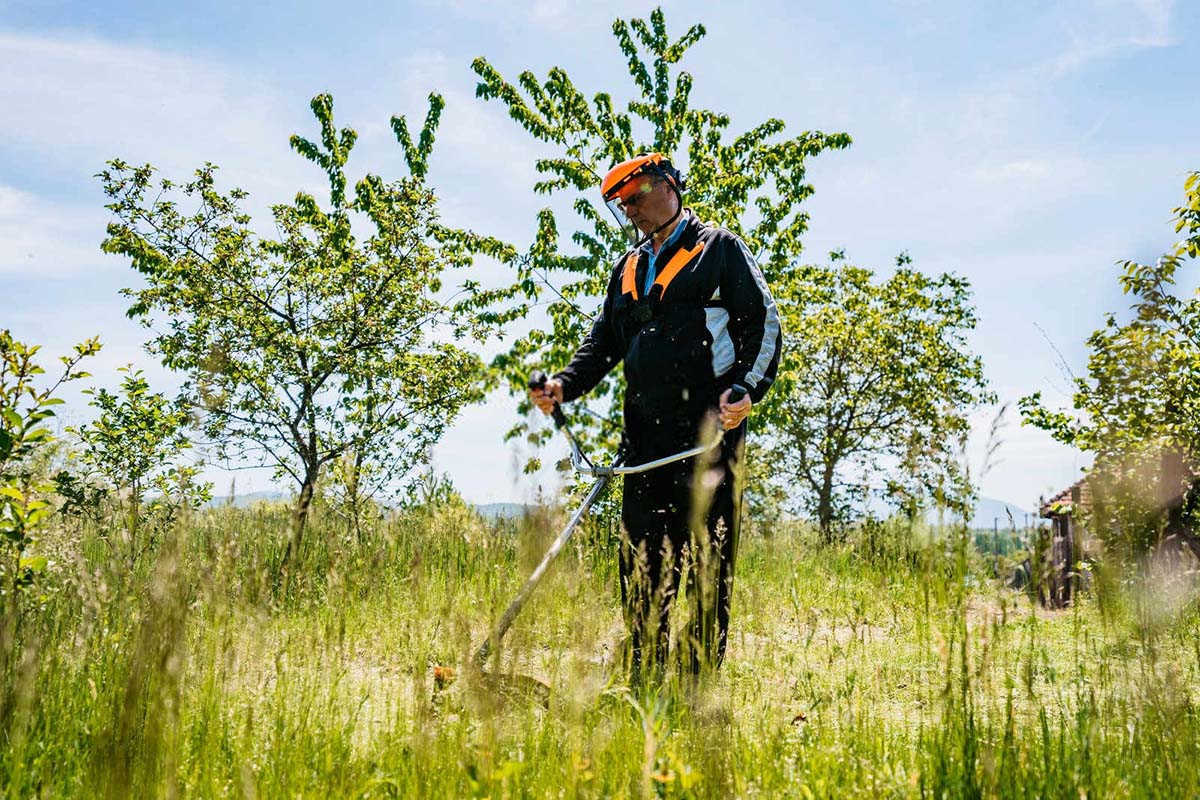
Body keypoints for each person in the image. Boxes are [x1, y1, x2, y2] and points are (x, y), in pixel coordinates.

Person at [530, 153, 781, 680]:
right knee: (641, 562)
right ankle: (643, 677)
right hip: (643, 440)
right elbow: (603, 343)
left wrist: (746, 389)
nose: (632, 211)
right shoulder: (626, 269)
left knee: (709, 562)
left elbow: (764, 324)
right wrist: (563, 386)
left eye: (637, 197)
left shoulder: (719, 250)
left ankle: (697, 686)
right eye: (622, 205)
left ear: (669, 185)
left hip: (708, 435)